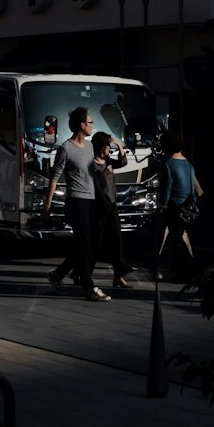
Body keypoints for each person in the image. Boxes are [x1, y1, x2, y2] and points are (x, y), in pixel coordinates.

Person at [43, 107, 111, 302]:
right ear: (82, 125)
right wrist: (47, 206)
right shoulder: (65, 149)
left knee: (85, 246)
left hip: (92, 201)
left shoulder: (90, 147)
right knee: (84, 244)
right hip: (76, 201)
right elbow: (54, 178)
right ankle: (89, 287)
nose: (92, 126)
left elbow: (91, 173)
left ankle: (57, 274)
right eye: (90, 122)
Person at [154, 129, 202, 282]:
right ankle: (189, 268)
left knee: (175, 239)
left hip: (174, 207)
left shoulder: (167, 164)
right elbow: (193, 188)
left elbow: (166, 189)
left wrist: (162, 205)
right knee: (182, 237)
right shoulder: (188, 163)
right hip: (187, 207)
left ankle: (184, 270)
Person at [89, 131, 134, 289]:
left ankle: (118, 275)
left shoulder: (107, 160)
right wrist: (104, 174)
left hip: (112, 205)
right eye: (108, 146)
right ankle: (83, 274)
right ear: (101, 147)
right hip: (99, 206)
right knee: (95, 243)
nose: (110, 148)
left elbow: (122, 163)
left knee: (117, 240)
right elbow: (91, 183)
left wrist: (119, 145)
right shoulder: (91, 163)